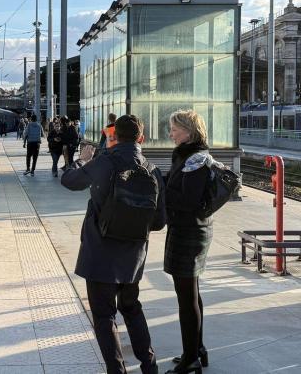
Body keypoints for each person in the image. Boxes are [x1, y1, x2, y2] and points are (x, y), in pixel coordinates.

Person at [60, 115, 166, 374]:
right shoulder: (152, 169)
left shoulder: (104, 161)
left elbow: (70, 182)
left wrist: (81, 160)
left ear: (114, 135)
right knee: (131, 308)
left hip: (100, 253)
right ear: (141, 138)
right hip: (133, 257)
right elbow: (160, 221)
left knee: (105, 315)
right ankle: (149, 366)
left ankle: (116, 371)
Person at [164, 110, 212, 374]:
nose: (170, 133)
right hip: (187, 229)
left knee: (186, 297)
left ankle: (190, 360)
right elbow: (176, 185)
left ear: (188, 131)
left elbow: (188, 200)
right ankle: (197, 350)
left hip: (190, 231)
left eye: (174, 129)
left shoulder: (196, 160)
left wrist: (162, 192)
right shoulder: (187, 155)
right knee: (191, 292)